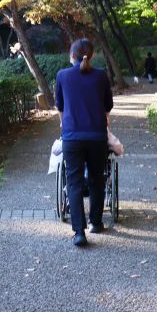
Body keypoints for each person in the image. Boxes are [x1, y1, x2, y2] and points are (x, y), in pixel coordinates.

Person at [55, 38, 113, 247]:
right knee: (97, 179)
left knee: (74, 181)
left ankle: (79, 232)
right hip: (97, 136)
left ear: (72, 56)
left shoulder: (62, 76)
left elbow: (60, 106)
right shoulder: (101, 76)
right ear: (93, 55)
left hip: (72, 137)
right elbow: (108, 105)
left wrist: (66, 125)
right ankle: (96, 223)